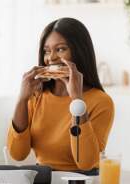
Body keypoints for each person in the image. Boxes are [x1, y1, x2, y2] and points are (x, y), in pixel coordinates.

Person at [7, 18, 114, 171]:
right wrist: (22, 99)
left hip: (81, 183)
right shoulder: (37, 96)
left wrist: (77, 99)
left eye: (60, 49)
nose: (51, 58)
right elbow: (17, 154)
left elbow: (86, 163)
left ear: (79, 52)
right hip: (45, 182)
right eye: (47, 51)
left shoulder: (101, 102)